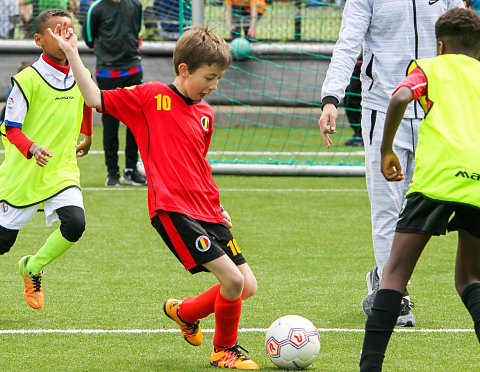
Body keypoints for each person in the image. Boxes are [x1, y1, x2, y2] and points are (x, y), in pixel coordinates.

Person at [52, 22, 260, 369]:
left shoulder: (206, 115)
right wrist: (73, 51)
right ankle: (224, 349)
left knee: (247, 285)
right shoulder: (150, 97)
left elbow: (197, 163)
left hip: (207, 208)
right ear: (184, 69)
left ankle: (184, 312)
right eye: (209, 77)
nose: (214, 86)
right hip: (173, 209)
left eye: (218, 78)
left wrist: (217, 204)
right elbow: (94, 97)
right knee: (233, 280)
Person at [318, 0, 464, 327]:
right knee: (387, 205)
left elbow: (464, 35)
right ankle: (394, 294)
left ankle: (384, 277)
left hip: (436, 109)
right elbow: (347, 42)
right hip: (383, 109)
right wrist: (331, 98)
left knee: (426, 206)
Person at [360, 8, 480, 370]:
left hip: (436, 181)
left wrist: (385, 150)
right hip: (477, 182)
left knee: (394, 272)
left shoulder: (428, 68)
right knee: (470, 277)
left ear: (439, 44)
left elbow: (398, 98)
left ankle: (370, 366)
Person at [0, 9, 92, 310]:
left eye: (69, 29)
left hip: (61, 169)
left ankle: (32, 267)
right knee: (3, 243)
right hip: (23, 175)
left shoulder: (81, 72)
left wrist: (87, 134)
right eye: (57, 31)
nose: (65, 35)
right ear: (39, 40)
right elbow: (10, 128)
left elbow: (89, 100)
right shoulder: (27, 80)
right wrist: (32, 149)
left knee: (75, 223)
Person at [83, 0, 147, 186]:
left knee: (136, 122)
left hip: (133, 70)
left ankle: (130, 170)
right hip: (107, 72)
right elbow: (89, 39)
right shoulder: (96, 9)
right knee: (110, 124)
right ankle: (112, 172)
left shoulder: (136, 5)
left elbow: (136, 31)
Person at [343, 55, 363, 147]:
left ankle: (363, 134)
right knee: (350, 97)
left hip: (375, 65)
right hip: (358, 65)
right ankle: (358, 133)